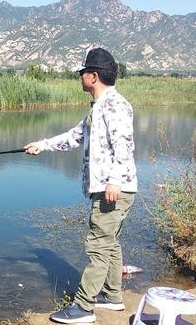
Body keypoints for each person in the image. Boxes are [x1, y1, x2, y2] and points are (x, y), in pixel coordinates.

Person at [24, 47, 137, 324]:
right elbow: (75, 137)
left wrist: (113, 180)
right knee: (109, 244)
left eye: (83, 72)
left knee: (98, 245)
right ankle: (113, 298)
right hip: (110, 188)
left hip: (113, 189)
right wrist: (42, 145)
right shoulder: (98, 108)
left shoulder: (115, 105)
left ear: (94, 76)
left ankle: (83, 308)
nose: (81, 77)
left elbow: (124, 144)